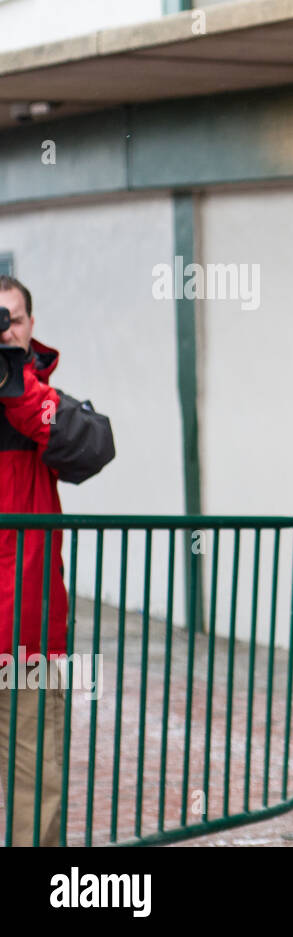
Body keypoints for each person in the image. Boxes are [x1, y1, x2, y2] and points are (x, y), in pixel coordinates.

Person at [0, 275, 115, 846]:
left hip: (26, 636)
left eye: (11, 320)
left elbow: (96, 446)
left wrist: (18, 389)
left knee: (34, 792)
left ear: (30, 326)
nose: (4, 331)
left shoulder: (36, 399)